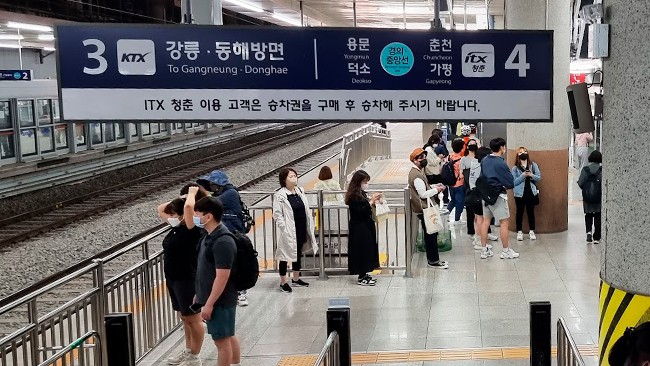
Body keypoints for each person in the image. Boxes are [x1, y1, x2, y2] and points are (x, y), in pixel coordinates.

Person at [157, 191, 204, 366]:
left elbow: (190, 207)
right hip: (174, 278)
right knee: (185, 317)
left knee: (193, 318)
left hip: (187, 278)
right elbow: (160, 208)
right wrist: (181, 200)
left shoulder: (192, 228)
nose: (171, 216)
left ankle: (195, 355)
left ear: (184, 213)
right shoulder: (177, 227)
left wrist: (190, 197)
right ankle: (188, 350)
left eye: (175, 213)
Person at [192, 196, 241, 366]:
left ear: (208, 216)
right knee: (227, 335)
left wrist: (210, 303)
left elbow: (222, 276)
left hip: (221, 300)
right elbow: (206, 270)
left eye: (197, 213)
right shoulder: (209, 236)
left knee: (222, 343)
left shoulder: (223, 241)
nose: (194, 216)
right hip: (213, 297)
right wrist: (199, 295)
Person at [197, 170, 249, 306]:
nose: (210, 186)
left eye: (211, 184)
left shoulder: (230, 194)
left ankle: (241, 292)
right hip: (228, 233)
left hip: (234, 233)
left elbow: (211, 203)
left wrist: (193, 197)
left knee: (235, 264)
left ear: (218, 184)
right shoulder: (221, 194)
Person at [272, 167, 318, 293]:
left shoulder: (300, 191)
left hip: (301, 227)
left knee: (297, 253)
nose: (294, 178)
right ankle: (283, 282)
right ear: (284, 180)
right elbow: (277, 214)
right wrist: (284, 227)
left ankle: (296, 279)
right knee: (284, 255)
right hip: (289, 230)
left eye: (295, 175)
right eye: (291, 176)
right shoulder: (280, 195)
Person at [478, 138, 519, 259]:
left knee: (486, 222)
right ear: (502, 148)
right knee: (504, 223)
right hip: (498, 196)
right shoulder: (501, 163)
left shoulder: (485, 160)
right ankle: (506, 251)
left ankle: (484, 250)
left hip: (485, 195)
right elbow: (510, 182)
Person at [408, 147, 449, 269]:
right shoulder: (416, 175)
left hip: (425, 209)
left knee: (431, 233)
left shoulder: (418, 172)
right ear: (415, 160)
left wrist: (434, 186)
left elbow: (424, 187)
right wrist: (436, 190)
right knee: (431, 235)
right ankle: (433, 261)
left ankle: (433, 260)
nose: (423, 159)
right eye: (420, 158)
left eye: (424, 157)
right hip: (425, 209)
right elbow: (423, 194)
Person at [345, 170, 381, 285]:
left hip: (365, 225)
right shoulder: (353, 196)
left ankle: (365, 273)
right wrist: (370, 202)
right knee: (361, 250)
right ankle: (361, 276)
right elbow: (359, 211)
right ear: (358, 182)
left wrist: (372, 202)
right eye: (365, 181)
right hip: (359, 228)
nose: (366, 184)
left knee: (367, 249)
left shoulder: (360, 193)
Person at [461, 141, 498, 246]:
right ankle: (479, 241)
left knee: (478, 218)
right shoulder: (481, 167)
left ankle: (480, 238)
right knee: (480, 219)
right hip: (477, 195)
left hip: (472, 194)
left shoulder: (474, 163)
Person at [512, 146, 541, 241]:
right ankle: (519, 231)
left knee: (530, 212)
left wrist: (531, 175)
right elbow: (514, 182)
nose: (523, 153)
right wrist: (523, 175)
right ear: (518, 155)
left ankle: (532, 231)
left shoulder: (533, 165)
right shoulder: (515, 168)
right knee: (519, 212)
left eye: (525, 151)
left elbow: (539, 177)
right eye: (520, 152)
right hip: (519, 194)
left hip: (531, 192)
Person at [577, 150, 602, 244]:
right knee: (598, 215)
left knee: (588, 215)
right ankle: (597, 237)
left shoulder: (585, 169)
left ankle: (588, 233)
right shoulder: (601, 170)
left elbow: (580, 183)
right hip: (599, 198)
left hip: (587, 198)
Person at [447, 138, 466, 225]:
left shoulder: (449, 157)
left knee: (453, 201)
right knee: (460, 202)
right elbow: (461, 175)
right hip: (459, 184)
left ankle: (446, 215)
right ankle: (457, 219)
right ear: (462, 148)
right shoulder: (461, 160)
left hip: (451, 184)